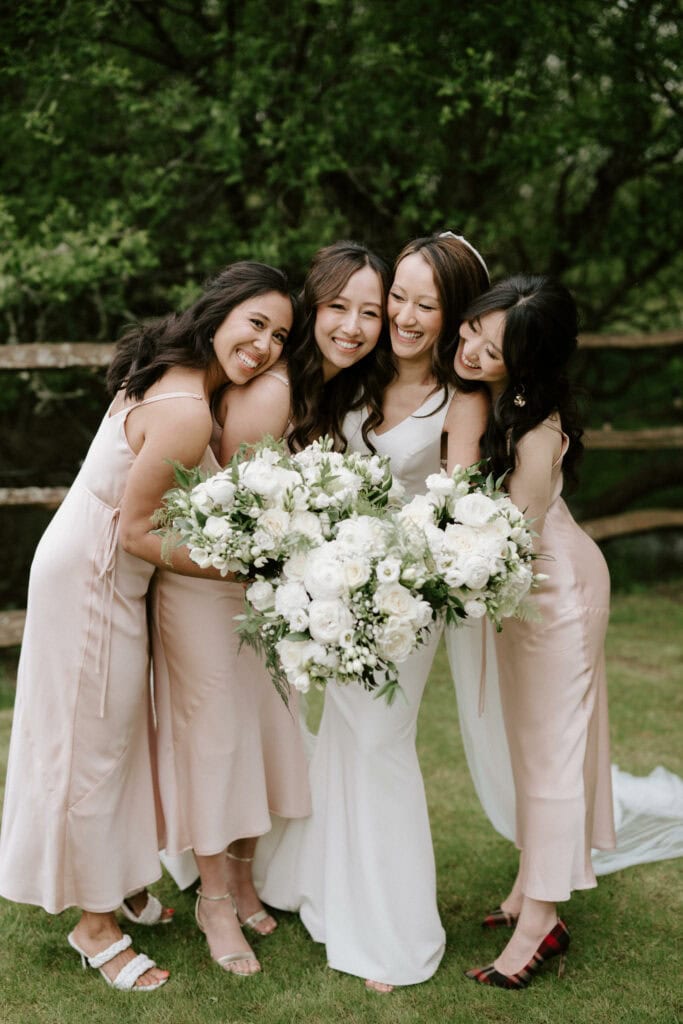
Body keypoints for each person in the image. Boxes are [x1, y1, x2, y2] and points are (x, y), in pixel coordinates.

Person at [0, 262, 294, 991]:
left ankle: (124, 884)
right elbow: (135, 531)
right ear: (221, 311)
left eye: (280, 336)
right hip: (95, 577)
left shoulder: (174, 368)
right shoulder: (188, 407)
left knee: (115, 736)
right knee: (89, 746)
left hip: (96, 568)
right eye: (255, 323)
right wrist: (240, 567)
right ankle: (94, 926)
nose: (263, 345)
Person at [254, 232, 490, 992]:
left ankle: (389, 932)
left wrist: (397, 568)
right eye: (399, 298)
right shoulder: (356, 379)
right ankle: (319, 888)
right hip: (336, 586)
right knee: (340, 740)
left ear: (453, 314)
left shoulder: (462, 399)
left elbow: (457, 508)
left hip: (406, 602)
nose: (405, 315)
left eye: (427, 303)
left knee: (380, 742)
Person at [150, 240, 394, 976]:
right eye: (337, 307)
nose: (352, 325)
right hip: (206, 588)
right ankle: (214, 900)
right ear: (313, 306)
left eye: (370, 313)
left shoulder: (323, 390)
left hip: (260, 593)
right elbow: (246, 515)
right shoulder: (273, 389)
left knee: (262, 735)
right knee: (218, 744)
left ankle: (247, 877)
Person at [453, 274, 616, 989]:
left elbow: (508, 538)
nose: (469, 350)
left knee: (550, 754)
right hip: (521, 594)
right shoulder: (499, 403)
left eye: (490, 349)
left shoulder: (536, 426)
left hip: (554, 593)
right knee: (528, 746)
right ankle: (528, 885)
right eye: (469, 334)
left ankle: (539, 920)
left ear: (526, 357)